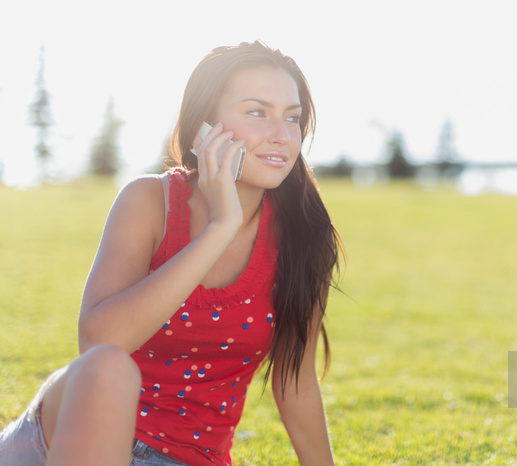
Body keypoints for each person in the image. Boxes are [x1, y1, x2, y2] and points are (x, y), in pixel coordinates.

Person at [0, 41, 341, 466]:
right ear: (205, 125)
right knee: (110, 369)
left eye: (293, 117)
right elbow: (100, 343)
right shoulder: (148, 202)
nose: (281, 134)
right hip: (67, 438)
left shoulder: (303, 236)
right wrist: (220, 228)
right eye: (257, 112)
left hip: (189, 457)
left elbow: (296, 382)